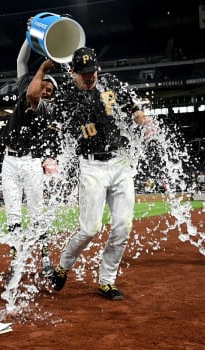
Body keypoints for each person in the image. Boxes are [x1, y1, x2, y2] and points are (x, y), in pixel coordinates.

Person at [49, 47, 157, 300]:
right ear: (73, 71)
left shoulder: (109, 81)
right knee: (90, 229)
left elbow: (132, 104)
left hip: (119, 162)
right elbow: (61, 127)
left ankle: (107, 281)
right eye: (84, 73)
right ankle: (64, 266)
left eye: (93, 71)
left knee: (122, 226)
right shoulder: (66, 95)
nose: (90, 77)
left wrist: (141, 117)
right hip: (91, 166)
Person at [0, 19, 59, 277]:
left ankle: (45, 257)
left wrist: (44, 68)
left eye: (50, 90)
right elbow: (21, 60)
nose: (46, 91)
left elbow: (33, 95)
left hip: (31, 162)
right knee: (13, 212)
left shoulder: (45, 106)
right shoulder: (27, 84)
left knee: (37, 212)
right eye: (45, 86)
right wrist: (30, 34)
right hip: (9, 160)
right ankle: (16, 259)